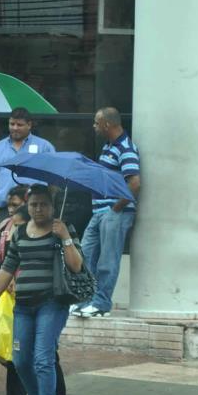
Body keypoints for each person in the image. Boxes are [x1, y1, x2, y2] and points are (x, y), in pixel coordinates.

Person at [0, 184, 82, 395]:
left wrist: (65, 238)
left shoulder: (62, 228)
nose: (38, 209)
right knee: (20, 360)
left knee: (42, 358)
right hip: (24, 306)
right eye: (34, 204)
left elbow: (76, 266)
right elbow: (7, 268)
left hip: (52, 303)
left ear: (52, 206)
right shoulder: (20, 233)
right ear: (27, 207)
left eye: (43, 204)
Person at [73, 107, 141, 318]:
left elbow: (135, 183)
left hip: (115, 213)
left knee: (107, 261)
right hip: (100, 212)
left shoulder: (126, 148)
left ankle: (101, 304)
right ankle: (86, 301)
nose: (94, 126)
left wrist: (115, 208)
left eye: (96, 123)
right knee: (85, 255)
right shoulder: (108, 146)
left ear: (107, 125)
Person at [0, 107, 55, 218]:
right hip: (7, 209)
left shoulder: (44, 147)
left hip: (36, 209)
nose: (15, 128)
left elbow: (53, 179)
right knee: (5, 235)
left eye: (19, 125)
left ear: (29, 125)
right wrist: (7, 187)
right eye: (12, 124)